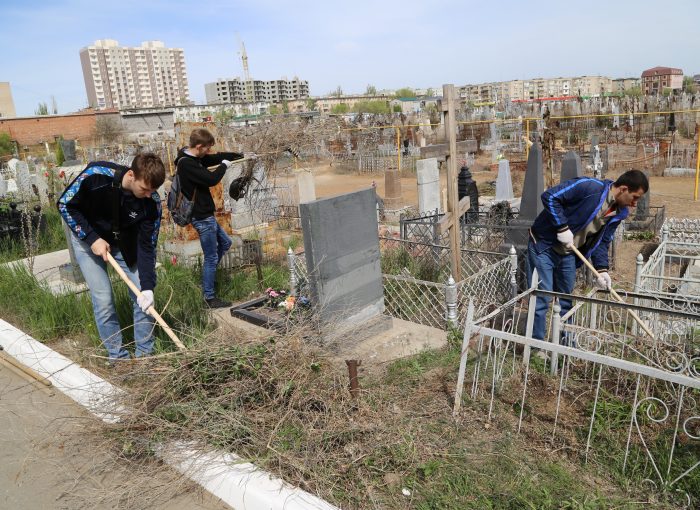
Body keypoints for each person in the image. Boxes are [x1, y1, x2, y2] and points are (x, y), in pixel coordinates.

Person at [57, 153, 166, 363]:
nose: (148, 194)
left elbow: (146, 246)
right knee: (104, 299)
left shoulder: (151, 202)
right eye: (144, 189)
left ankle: (145, 357)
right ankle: (118, 357)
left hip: (124, 246)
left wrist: (148, 286)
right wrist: (92, 238)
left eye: (153, 190)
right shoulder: (96, 175)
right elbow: (64, 204)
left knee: (143, 299)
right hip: (88, 241)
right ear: (132, 175)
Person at [527, 169, 649, 342]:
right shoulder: (589, 187)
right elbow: (550, 197)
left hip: (569, 253)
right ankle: (535, 346)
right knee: (541, 298)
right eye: (635, 197)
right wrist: (562, 227)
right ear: (623, 189)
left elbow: (603, 241)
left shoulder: (619, 213)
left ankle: (567, 344)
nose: (634, 204)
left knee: (567, 300)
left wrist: (602, 269)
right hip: (544, 245)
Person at [174, 128, 244, 308]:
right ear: (198, 146)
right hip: (201, 217)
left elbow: (214, 158)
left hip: (207, 216)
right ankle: (209, 297)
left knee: (226, 244)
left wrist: (237, 156)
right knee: (211, 258)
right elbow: (211, 179)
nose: (209, 152)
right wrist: (224, 166)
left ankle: (207, 278)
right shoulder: (186, 164)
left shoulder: (192, 156)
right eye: (206, 148)